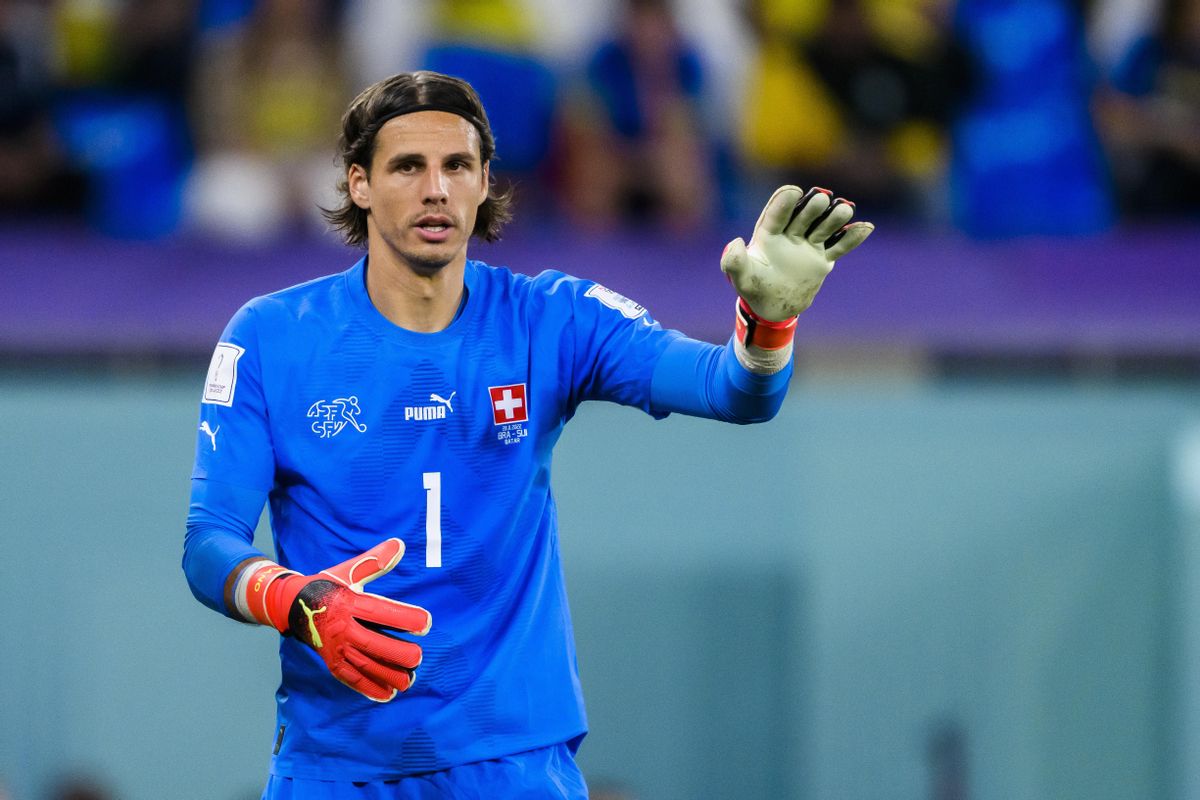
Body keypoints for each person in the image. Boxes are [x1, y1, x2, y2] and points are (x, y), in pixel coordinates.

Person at [182, 70, 873, 799]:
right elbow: (208, 542)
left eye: (457, 166)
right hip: (336, 765)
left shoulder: (551, 319)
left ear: (484, 184)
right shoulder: (272, 337)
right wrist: (299, 602)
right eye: (407, 167)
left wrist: (767, 324)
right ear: (359, 184)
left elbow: (733, 389)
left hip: (512, 764)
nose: (436, 189)